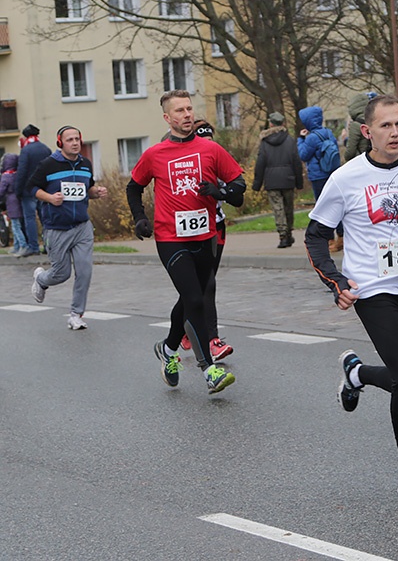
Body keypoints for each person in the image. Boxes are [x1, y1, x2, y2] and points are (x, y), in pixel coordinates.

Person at [304, 94, 398, 502]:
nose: (395, 132)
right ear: (366, 131)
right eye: (385, 126)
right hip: (371, 290)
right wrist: (336, 282)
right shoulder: (346, 178)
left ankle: (357, 373)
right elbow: (316, 236)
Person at [126, 89, 245, 394]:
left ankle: (167, 349)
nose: (187, 115)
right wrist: (140, 218)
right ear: (167, 118)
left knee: (188, 298)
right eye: (179, 111)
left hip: (205, 237)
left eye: (189, 109)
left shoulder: (210, 149)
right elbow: (133, 187)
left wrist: (219, 193)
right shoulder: (155, 154)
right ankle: (210, 370)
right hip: (170, 238)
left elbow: (238, 185)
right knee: (195, 300)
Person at [26, 126, 108, 329]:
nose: (75, 143)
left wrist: (96, 192)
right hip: (56, 227)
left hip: (82, 226)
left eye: (77, 139)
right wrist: (50, 198)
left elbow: (86, 189)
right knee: (61, 273)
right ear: (60, 142)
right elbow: (32, 188)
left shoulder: (85, 164)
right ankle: (42, 279)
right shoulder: (48, 164)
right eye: (70, 139)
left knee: (85, 271)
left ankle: (76, 314)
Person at [178, 119, 235, 362]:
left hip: (215, 227)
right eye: (203, 139)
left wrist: (220, 192)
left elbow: (236, 192)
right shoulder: (180, 159)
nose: (207, 144)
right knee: (204, 284)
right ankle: (212, 340)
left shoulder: (217, 158)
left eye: (210, 139)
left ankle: (184, 328)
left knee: (203, 283)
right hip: (184, 231)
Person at [253, 111, 304, 249]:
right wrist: (299, 182)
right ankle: (289, 233)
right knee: (288, 208)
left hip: (271, 180)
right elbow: (296, 162)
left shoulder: (265, 142)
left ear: (270, 124)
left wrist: (257, 184)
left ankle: (282, 236)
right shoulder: (290, 140)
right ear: (282, 124)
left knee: (278, 209)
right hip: (288, 179)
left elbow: (260, 163)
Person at [297, 105, 343, 251]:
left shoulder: (311, 138)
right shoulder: (328, 133)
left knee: (324, 208)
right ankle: (341, 236)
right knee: (336, 205)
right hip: (332, 173)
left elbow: (303, 155)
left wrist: (300, 140)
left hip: (318, 176)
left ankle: (329, 240)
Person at [16, 124, 51, 257]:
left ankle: (33, 246)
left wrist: (18, 190)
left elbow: (22, 172)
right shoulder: (45, 149)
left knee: (30, 218)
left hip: (28, 191)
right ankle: (48, 245)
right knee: (45, 218)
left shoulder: (26, 150)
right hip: (43, 189)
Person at [0, 153, 26, 255]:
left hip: (11, 202)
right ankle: (16, 246)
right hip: (19, 201)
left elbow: (1, 190)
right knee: (18, 224)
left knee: (15, 226)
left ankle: (22, 245)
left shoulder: (6, 176)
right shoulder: (17, 174)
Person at [345, 92, 376, 161]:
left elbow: (350, 153)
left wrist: (345, 141)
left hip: (363, 161)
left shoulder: (356, 125)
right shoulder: (374, 122)